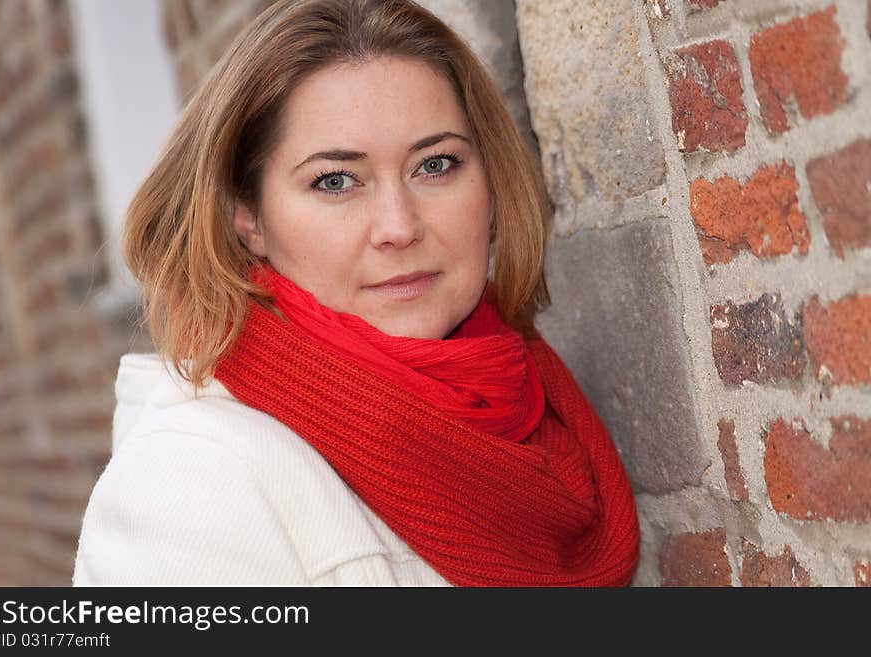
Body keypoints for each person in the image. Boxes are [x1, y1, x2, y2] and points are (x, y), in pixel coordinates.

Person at [72, 0, 639, 586]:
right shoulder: (191, 486)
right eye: (335, 181)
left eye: (436, 164)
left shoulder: (541, 415)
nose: (399, 227)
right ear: (249, 217)